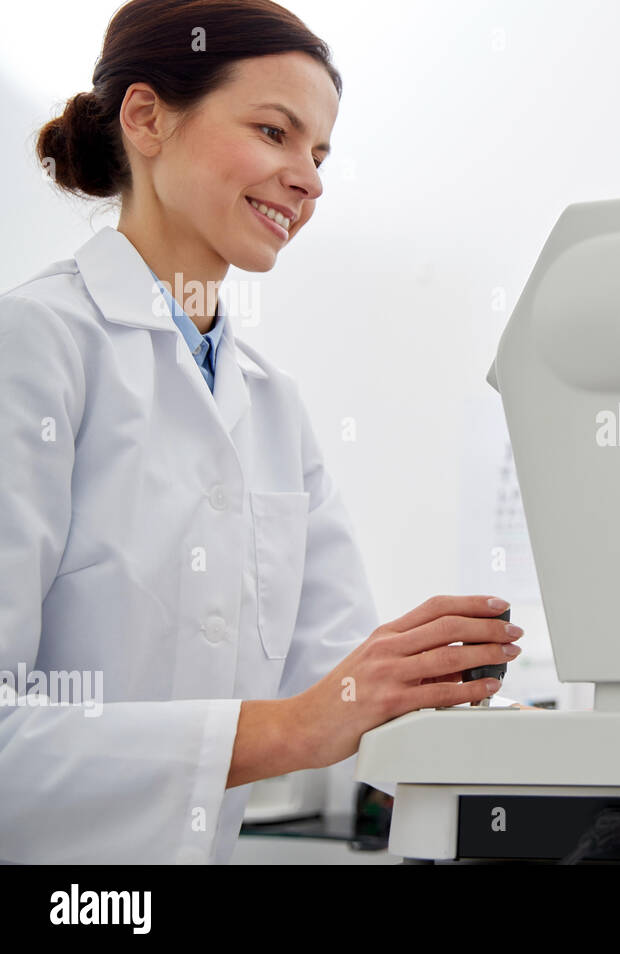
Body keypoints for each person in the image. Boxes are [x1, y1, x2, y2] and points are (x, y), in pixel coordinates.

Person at [0, 0, 523, 864]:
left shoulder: (272, 406)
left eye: (319, 154)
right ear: (146, 118)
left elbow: (343, 697)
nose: (309, 178)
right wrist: (293, 729)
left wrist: (515, 729)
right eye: (275, 132)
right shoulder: (36, 348)